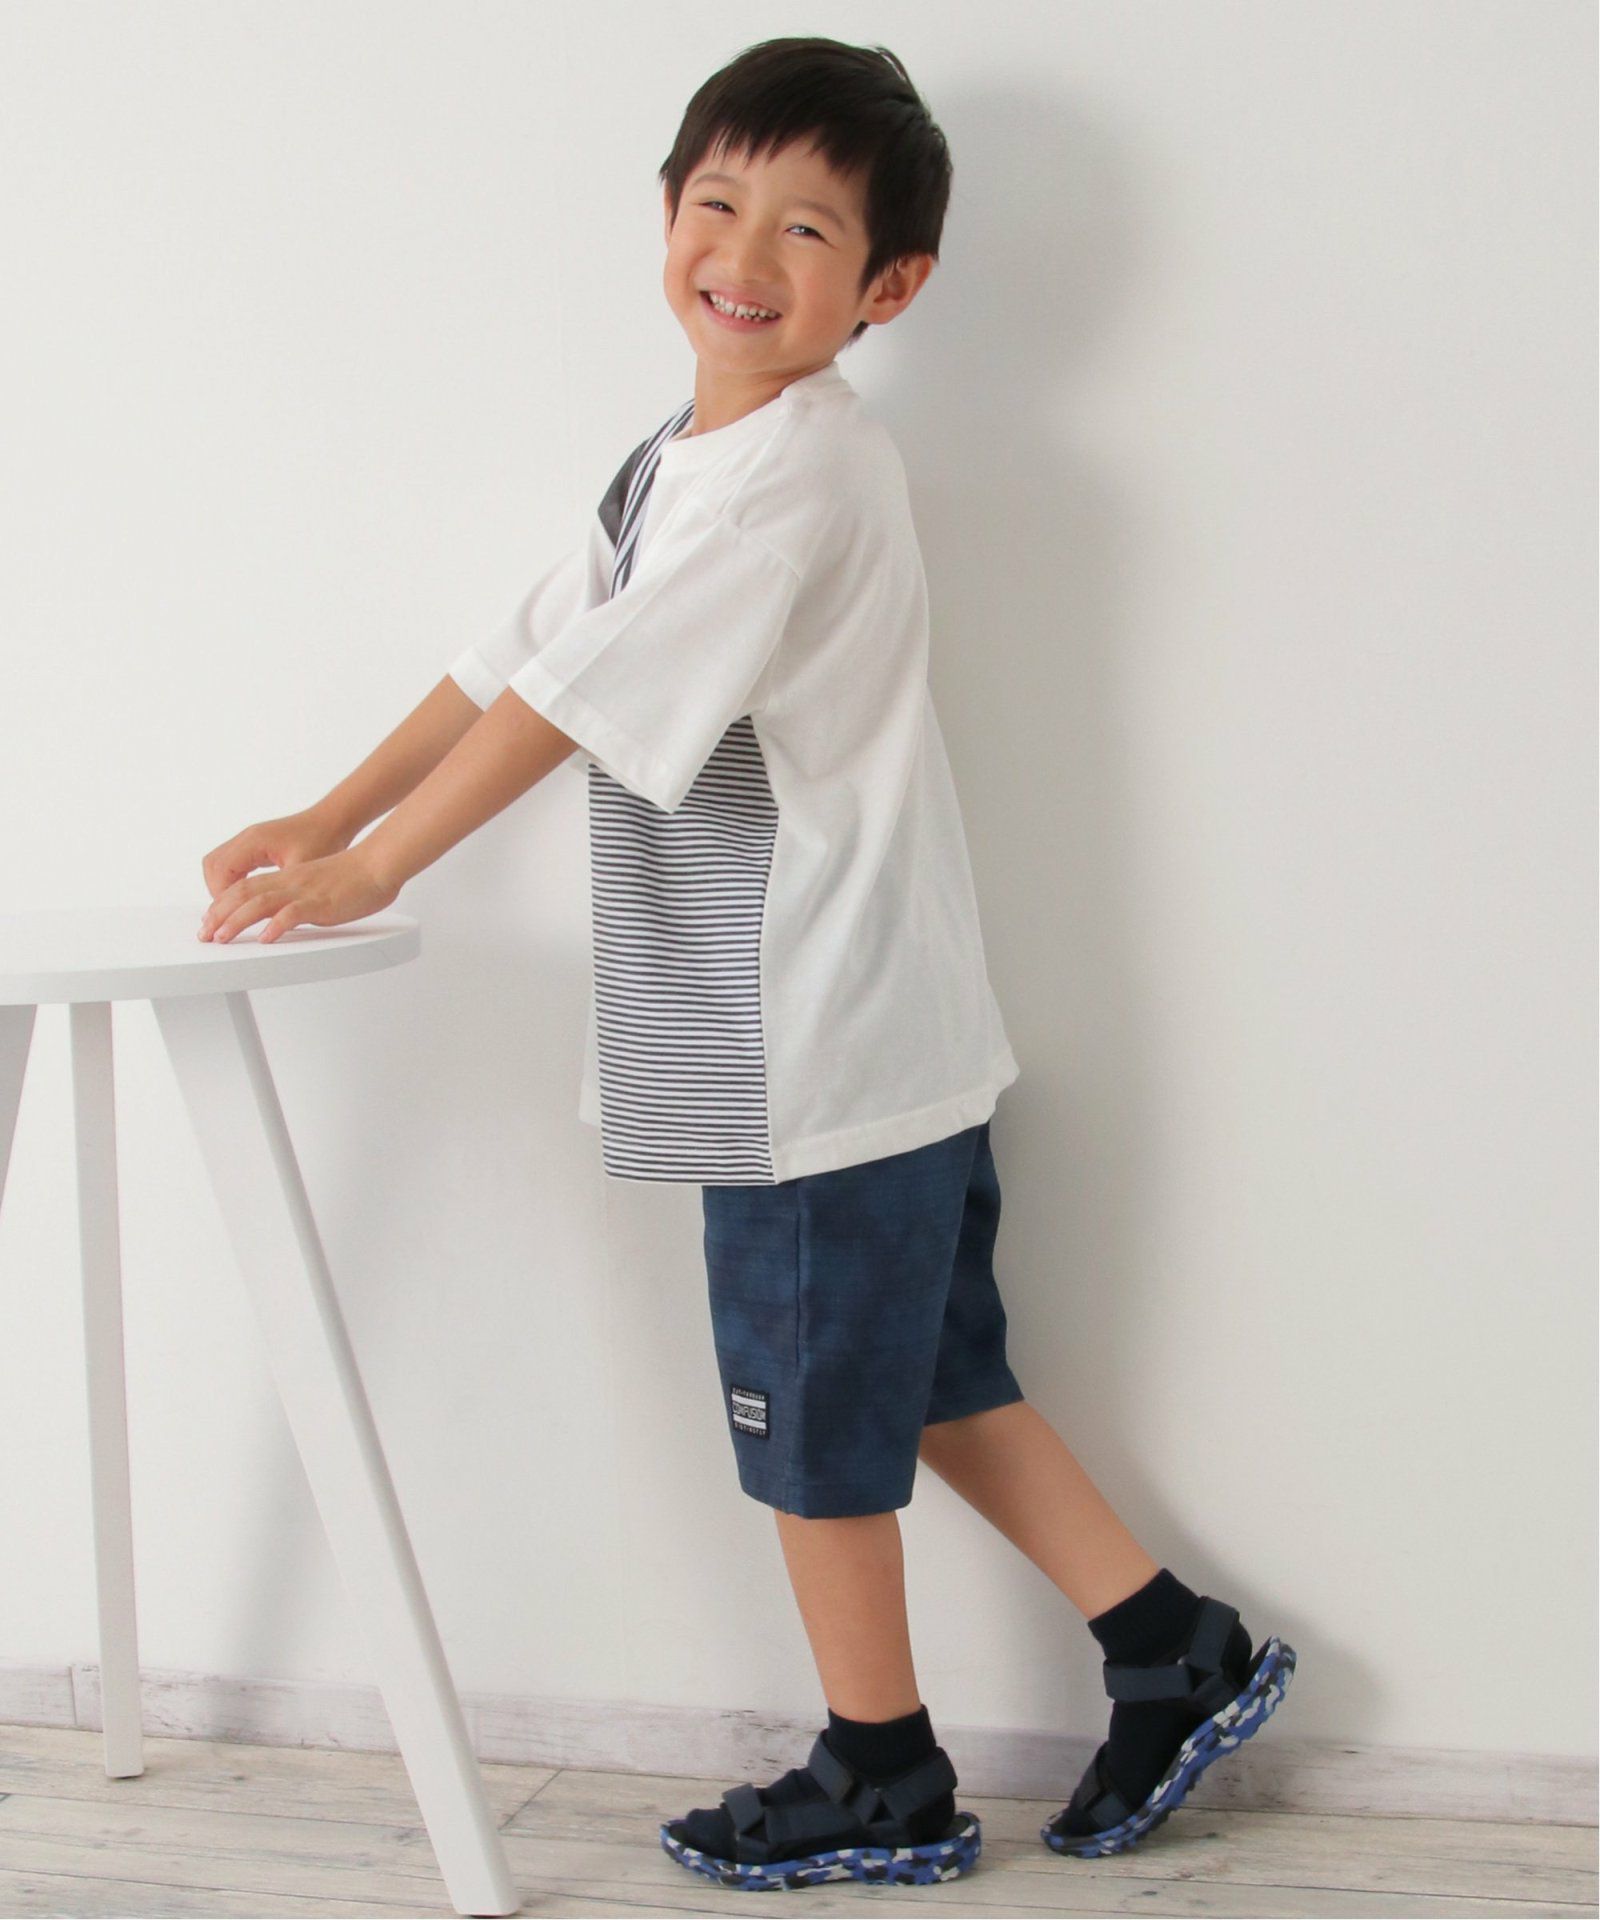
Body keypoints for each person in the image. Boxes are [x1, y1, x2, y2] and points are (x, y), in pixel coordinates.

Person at [196, 33, 1296, 1894]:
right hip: (873, 1032)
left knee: (809, 1430)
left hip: (813, 1050)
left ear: (889, 288)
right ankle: (1170, 1648)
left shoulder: (792, 479)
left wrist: (376, 865)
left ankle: (883, 1771)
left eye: (808, 230)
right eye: (720, 203)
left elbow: (569, 708)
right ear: (666, 213)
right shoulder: (685, 462)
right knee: (936, 1381)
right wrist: (328, 810)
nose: (747, 254)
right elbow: (516, 656)